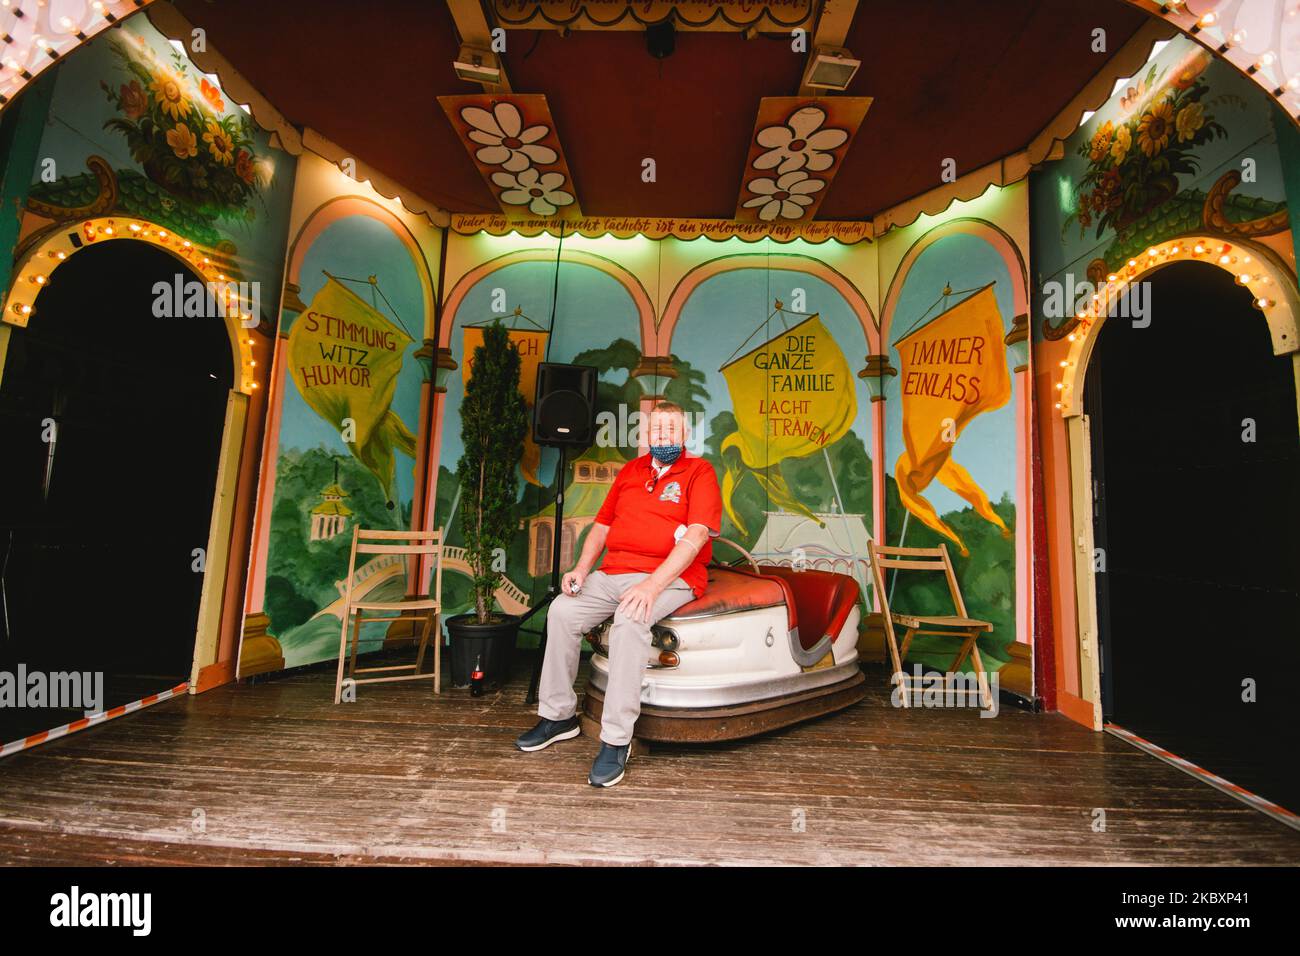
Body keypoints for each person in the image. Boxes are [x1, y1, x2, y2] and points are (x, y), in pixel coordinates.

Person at [514, 400, 721, 786]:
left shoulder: (699, 471)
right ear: (645, 435)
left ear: (685, 434)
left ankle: (615, 740)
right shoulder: (629, 471)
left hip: (671, 576)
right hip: (612, 573)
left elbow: (695, 536)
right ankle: (558, 716)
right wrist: (580, 569)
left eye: (671, 429)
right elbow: (603, 527)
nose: (663, 436)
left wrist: (652, 584)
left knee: (630, 619)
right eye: (656, 430)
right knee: (561, 612)